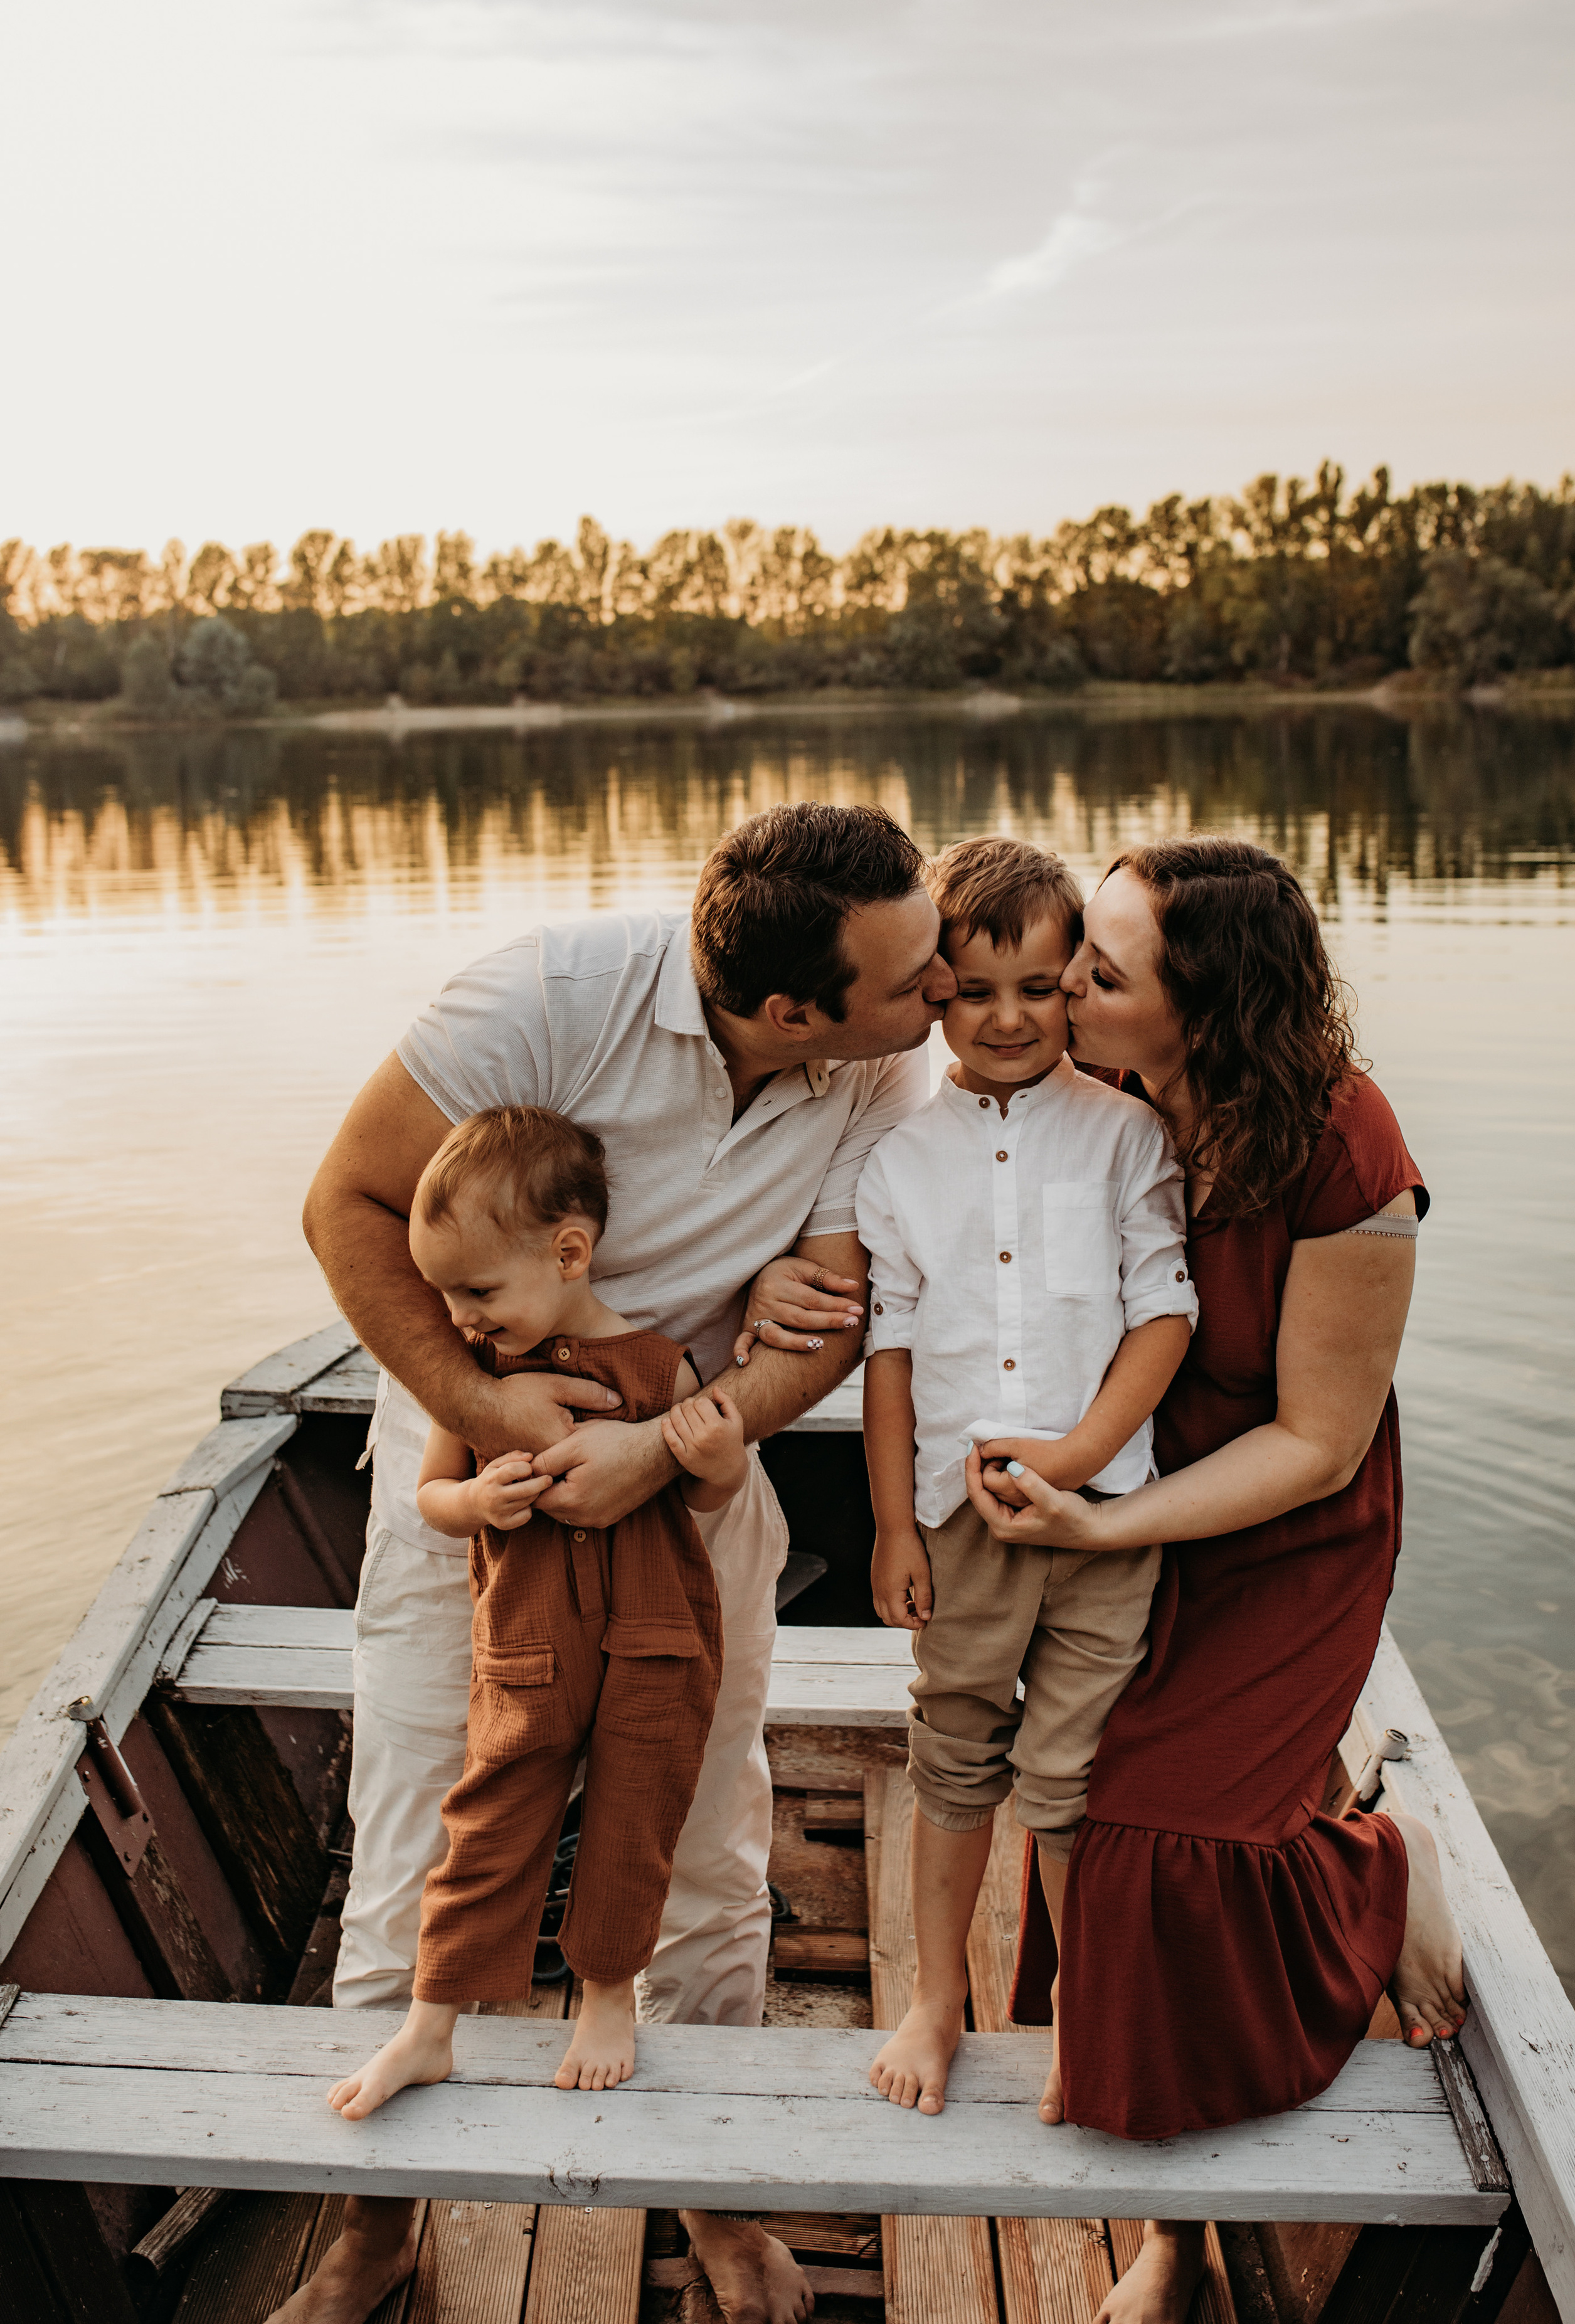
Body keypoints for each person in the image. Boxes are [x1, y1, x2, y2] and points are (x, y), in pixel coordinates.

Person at [277, 801, 955, 2324]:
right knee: (411, 1852)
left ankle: (712, 2191)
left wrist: (668, 1441)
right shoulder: (544, 999)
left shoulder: (882, 1059)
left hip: (696, 1487)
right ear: (790, 1010)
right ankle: (374, 2230)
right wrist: (488, 1410)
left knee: (710, 1856)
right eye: (913, 966)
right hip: (476, 1485)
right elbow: (347, 1201)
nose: (946, 984)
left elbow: (831, 1309)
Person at [964, 836, 1466, 2324]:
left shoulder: (1340, 1144)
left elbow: (1318, 1442)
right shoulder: (1083, 1091)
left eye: (1098, 973)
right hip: (1114, 1491)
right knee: (1074, 1813)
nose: (1060, 987)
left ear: (1205, 1012)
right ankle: (1171, 2235)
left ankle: (1374, 1866)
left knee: (1142, 1837)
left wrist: (1106, 1533)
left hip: (1282, 1540)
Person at [852, 837, 1198, 2120]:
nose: (1007, 1017)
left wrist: (1077, 1459)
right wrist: (894, 1521)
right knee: (951, 1752)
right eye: (976, 988)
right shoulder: (895, 1159)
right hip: (956, 1514)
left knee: (1070, 1774)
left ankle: (1077, 2016)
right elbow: (887, 1353)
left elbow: (1162, 1313)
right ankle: (935, 1997)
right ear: (933, 987)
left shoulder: (1123, 1138)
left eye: (1040, 987)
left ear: (1073, 988)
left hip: (1101, 1512)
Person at [328, 1106, 748, 2121]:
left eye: (478, 1290)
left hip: (656, 1637)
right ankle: (432, 2021)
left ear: (569, 1252)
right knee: (490, 1816)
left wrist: (718, 1462)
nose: (462, 1318)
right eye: (446, 1295)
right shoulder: (478, 1384)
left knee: (635, 1818)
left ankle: (607, 1998)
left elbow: (701, 1500)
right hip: (528, 1647)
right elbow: (433, 1494)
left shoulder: (661, 1368)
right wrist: (477, 1499)